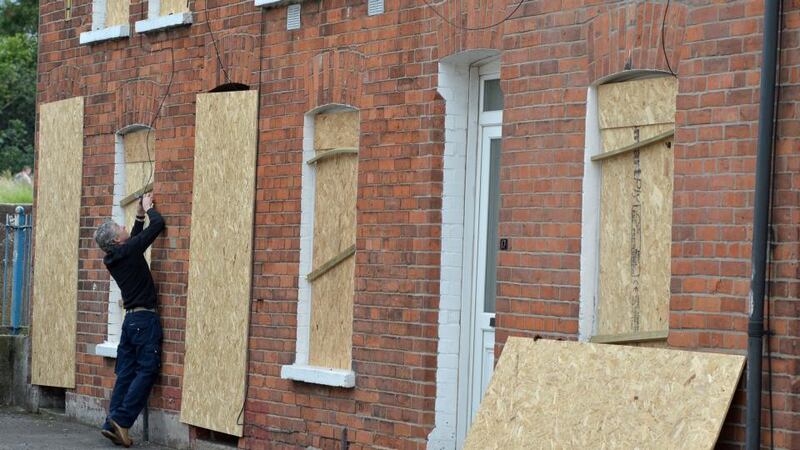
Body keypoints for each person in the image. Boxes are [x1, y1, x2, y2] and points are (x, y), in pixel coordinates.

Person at [93, 193, 165, 448]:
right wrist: (149, 210)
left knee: (125, 373)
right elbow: (156, 228)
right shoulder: (129, 251)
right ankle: (122, 421)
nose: (124, 228)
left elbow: (134, 241)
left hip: (130, 323)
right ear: (116, 239)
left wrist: (138, 216)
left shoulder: (115, 256)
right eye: (120, 227)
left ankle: (110, 422)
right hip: (145, 320)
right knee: (147, 369)